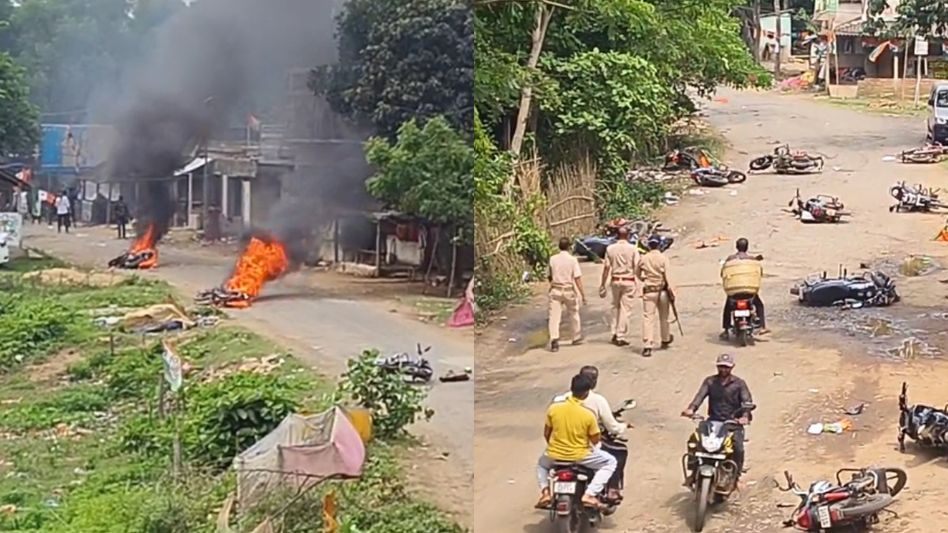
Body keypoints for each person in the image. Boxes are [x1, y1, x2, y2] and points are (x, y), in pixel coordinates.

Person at [536, 373, 617, 509]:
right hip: (580, 456)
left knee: (541, 465)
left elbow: (547, 433)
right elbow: (595, 439)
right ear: (586, 393)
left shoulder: (554, 408)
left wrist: (554, 447)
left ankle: (545, 493)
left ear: (571, 388)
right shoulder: (588, 414)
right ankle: (590, 494)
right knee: (610, 462)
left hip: (554, 455)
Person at [551, 365, 631, 501]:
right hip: (583, 447)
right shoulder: (597, 400)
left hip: (560, 445)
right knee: (617, 453)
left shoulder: (560, 400)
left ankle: (546, 493)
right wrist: (623, 427)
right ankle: (612, 489)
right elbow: (612, 427)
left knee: (543, 466)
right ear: (593, 382)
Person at [680, 354, 753, 475]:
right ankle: (693, 473)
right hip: (713, 421)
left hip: (733, 423)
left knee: (738, 448)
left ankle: (736, 475)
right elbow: (700, 396)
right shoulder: (710, 382)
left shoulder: (739, 384)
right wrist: (691, 409)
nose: (723, 369)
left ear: (732, 367)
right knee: (695, 441)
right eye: (721, 366)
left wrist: (744, 416)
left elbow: (747, 401)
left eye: (726, 367)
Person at [599, 226, 640, 347]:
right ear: (628, 236)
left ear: (617, 235)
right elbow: (637, 266)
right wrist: (640, 281)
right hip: (628, 280)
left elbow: (607, 267)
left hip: (615, 280)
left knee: (615, 307)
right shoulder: (633, 249)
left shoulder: (610, 249)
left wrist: (602, 284)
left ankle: (614, 332)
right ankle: (620, 335)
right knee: (625, 309)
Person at [720, 238, 768, 339]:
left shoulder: (730, 259)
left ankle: (726, 330)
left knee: (727, 308)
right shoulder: (752, 260)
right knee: (759, 305)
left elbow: (723, 273)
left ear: (736, 247)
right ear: (747, 247)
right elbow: (759, 273)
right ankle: (762, 326)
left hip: (734, 291)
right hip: (750, 291)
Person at [635, 235, 674, 357]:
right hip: (662, 291)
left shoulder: (644, 258)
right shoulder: (663, 258)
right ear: (659, 245)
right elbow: (668, 277)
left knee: (648, 318)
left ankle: (647, 345)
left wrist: (643, 279)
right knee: (664, 316)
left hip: (649, 291)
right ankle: (665, 339)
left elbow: (637, 272)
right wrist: (672, 292)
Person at [548, 237, 586, 352]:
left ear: (559, 246)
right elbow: (577, 278)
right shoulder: (572, 260)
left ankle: (554, 339)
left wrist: (552, 284)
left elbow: (550, 275)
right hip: (569, 290)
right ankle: (576, 337)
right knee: (573, 314)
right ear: (569, 247)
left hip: (556, 289)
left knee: (554, 316)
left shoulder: (553, 259)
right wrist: (582, 294)